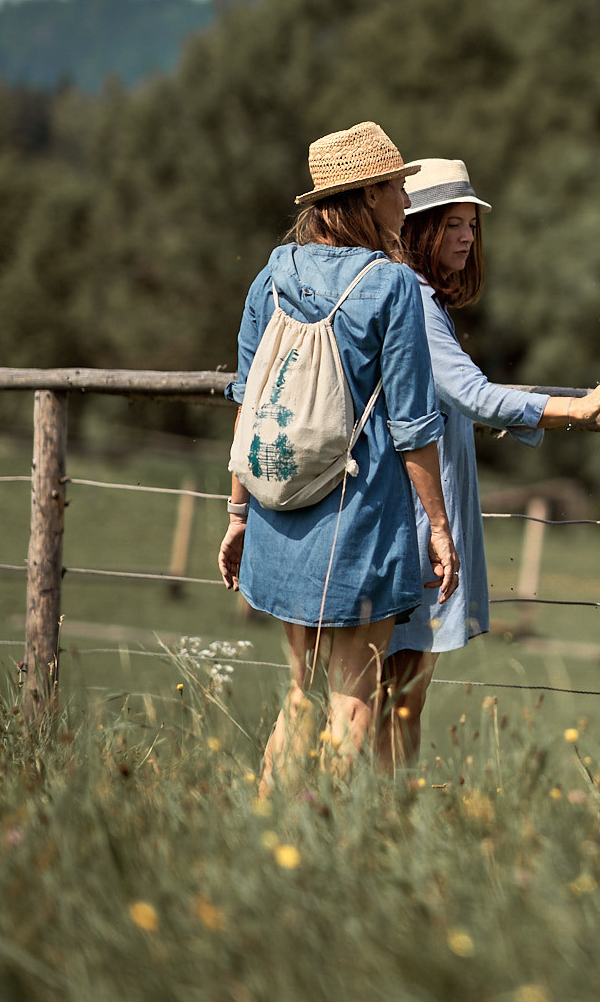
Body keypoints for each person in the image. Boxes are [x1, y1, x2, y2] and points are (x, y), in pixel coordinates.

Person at [217, 122, 457, 791]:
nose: (408, 202)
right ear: (368, 195)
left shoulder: (273, 272)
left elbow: (250, 400)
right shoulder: (393, 287)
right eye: (398, 188)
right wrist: (439, 527)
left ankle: (267, 835)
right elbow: (413, 423)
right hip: (358, 516)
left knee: (298, 696)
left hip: (280, 510)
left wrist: (238, 513)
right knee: (355, 699)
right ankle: (317, 847)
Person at [377, 158, 600, 765]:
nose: (467, 237)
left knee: (395, 692)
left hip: (409, 514)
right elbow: (475, 395)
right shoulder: (411, 298)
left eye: (471, 224)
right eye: (452, 223)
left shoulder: (415, 298)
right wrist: (582, 406)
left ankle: (377, 814)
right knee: (399, 694)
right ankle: (385, 817)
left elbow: (464, 398)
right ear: (418, 229)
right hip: (412, 522)